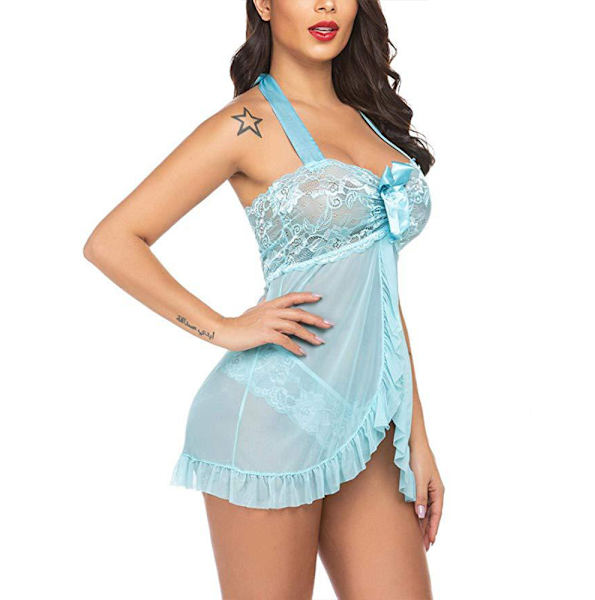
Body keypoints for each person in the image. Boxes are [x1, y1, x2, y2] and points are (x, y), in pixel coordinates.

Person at [83, 1, 444, 597]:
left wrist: (417, 437)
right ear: (264, 3)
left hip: (368, 423)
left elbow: (379, 290)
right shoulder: (244, 124)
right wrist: (223, 327)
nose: (326, 4)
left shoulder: (371, 118)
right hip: (271, 417)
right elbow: (112, 241)